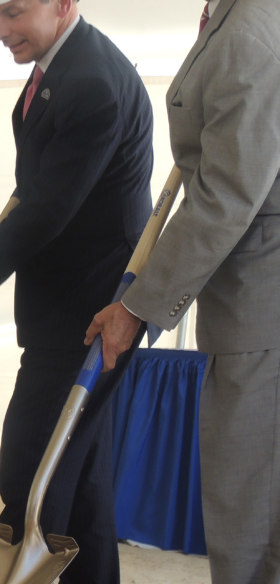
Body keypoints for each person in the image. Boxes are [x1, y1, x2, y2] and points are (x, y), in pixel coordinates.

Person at [0, 0, 153, 582]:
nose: (2, 31)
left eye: (14, 13)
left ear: (63, 5)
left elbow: (52, 206)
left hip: (94, 305)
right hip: (70, 296)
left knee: (36, 461)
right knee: (78, 477)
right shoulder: (63, 64)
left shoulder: (91, 81)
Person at [85, 1, 280, 582]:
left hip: (262, 308)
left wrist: (138, 306)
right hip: (251, 305)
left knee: (248, 511)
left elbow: (225, 196)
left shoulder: (250, 30)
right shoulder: (236, 16)